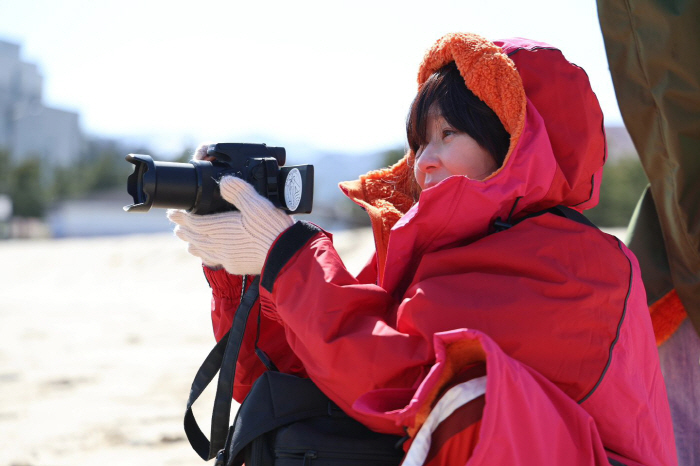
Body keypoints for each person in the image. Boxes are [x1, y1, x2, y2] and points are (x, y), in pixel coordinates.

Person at [168, 33, 677, 465]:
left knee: (469, 402)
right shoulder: (430, 248)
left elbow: (405, 381)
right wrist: (250, 273)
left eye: (448, 134)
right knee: (283, 410)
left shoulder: (582, 267)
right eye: (419, 141)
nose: (422, 162)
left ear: (517, 142)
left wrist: (289, 255)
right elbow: (285, 373)